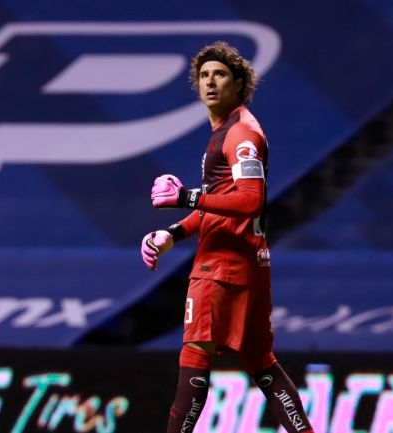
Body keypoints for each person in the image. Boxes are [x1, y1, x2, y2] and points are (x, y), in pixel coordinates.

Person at [141, 41, 314, 433]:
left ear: (239, 83)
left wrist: (185, 195)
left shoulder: (241, 134)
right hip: (251, 264)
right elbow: (219, 204)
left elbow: (250, 200)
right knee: (261, 361)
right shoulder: (228, 131)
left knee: (195, 353)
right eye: (203, 75)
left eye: (219, 74)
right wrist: (172, 234)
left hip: (221, 268)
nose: (210, 82)